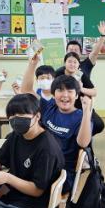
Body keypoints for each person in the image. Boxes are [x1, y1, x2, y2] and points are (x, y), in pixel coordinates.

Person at [19, 51, 92, 192]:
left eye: (70, 91)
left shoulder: (80, 117)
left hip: (62, 172)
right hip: (41, 162)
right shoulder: (49, 107)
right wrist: (32, 64)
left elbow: (83, 143)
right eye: (60, 90)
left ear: (77, 95)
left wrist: (87, 112)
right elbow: (26, 90)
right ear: (53, 94)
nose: (65, 95)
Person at [56, 52, 105, 135]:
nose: (72, 64)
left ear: (79, 64)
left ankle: (83, 137)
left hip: (80, 106)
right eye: (69, 61)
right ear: (64, 63)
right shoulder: (58, 73)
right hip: (64, 105)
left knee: (99, 125)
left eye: (75, 62)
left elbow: (94, 92)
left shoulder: (80, 74)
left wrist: (81, 89)